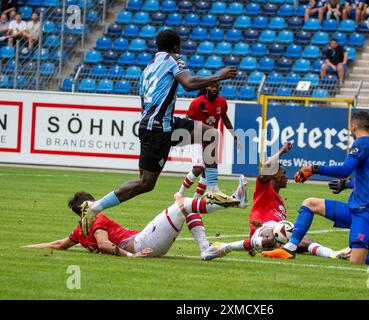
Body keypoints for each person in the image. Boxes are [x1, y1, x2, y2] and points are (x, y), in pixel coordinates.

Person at [78, 30, 240, 237]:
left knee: (210, 134)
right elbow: (189, 84)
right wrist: (219, 76)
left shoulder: (148, 68)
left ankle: (213, 190)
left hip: (158, 124)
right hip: (158, 128)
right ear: (176, 47)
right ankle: (94, 208)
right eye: (179, 46)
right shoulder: (175, 59)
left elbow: (144, 101)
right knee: (145, 183)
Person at [262, 111, 369, 267]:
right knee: (310, 203)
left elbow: (344, 170)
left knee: (356, 260)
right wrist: (346, 185)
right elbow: (368, 181)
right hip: (355, 209)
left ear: (353, 127)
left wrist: (314, 168)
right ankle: (289, 249)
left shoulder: (362, 143)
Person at [26, 179, 247, 260]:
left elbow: (58, 245)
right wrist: (131, 256)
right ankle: (234, 201)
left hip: (145, 242)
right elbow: (103, 244)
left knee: (184, 205)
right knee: (181, 204)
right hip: (142, 244)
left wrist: (27, 246)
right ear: (90, 206)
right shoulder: (98, 219)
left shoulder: (78, 231)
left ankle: (205, 249)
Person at [212, 142, 351, 260]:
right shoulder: (264, 188)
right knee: (270, 239)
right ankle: (226, 247)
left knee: (306, 241)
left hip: (277, 232)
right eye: (283, 173)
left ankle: (335, 254)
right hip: (263, 231)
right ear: (274, 175)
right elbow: (265, 170)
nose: (286, 176)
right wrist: (282, 151)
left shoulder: (281, 203)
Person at [175, 83, 241, 201]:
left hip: (210, 139)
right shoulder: (196, 103)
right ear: (206, 87)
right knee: (198, 168)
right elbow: (186, 120)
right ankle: (180, 193)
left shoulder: (222, 102)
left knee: (207, 172)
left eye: (217, 87)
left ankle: (196, 200)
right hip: (197, 138)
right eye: (212, 86)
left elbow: (225, 118)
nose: (215, 89)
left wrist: (233, 134)